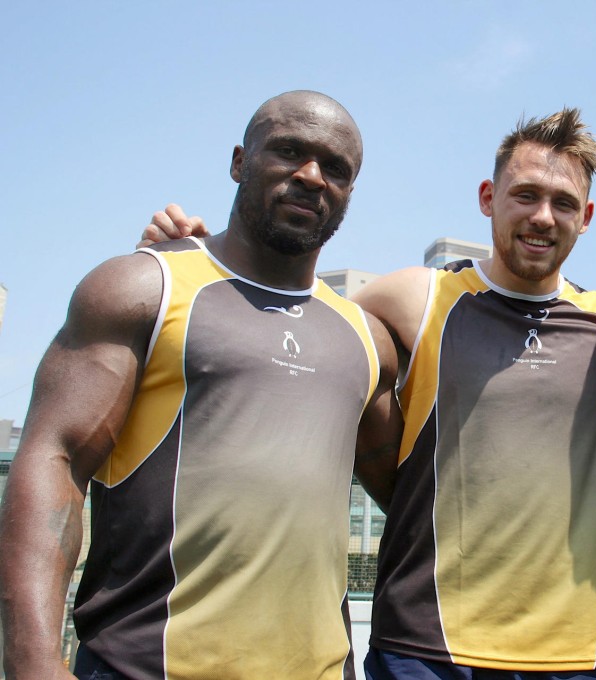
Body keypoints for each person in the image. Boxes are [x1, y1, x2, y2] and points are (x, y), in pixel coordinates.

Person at [139, 111, 596, 679]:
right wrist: (203, 252)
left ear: (587, 217)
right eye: (525, 196)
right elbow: (286, 320)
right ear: (488, 199)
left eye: (563, 203)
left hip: (572, 653)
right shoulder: (416, 298)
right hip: (423, 649)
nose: (542, 216)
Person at [0, 90, 401, 680]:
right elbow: (53, 461)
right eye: (289, 151)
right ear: (240, 162)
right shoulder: (142, 288)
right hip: (142, 666)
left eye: (335, 168)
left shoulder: (366, 339)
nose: (312, 176)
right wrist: (32, 660)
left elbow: (421, 498)